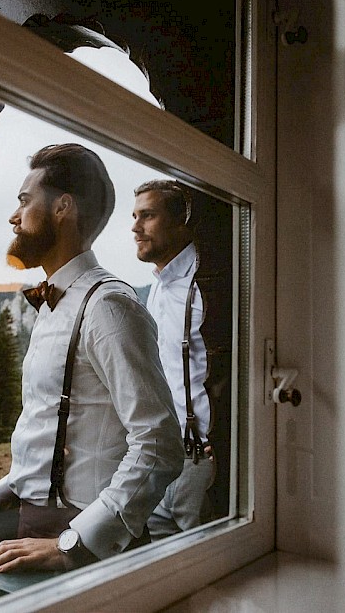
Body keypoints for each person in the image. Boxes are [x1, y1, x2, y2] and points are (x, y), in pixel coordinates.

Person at [0, 143, 184, 573]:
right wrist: (2, 491)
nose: (13, 216)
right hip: (34, 522)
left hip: (86, 542)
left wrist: (73, 545)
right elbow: (51, 425)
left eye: (24, 200)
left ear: (62, 207)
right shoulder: (56, 301)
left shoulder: (110, 306)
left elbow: (160, 443)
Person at [131, 179, 215, 539]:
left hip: (200, 458)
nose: (135, 227)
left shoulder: (209, 283)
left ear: (182, 220)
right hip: (163, 455)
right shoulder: (158, 288)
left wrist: (223, 442)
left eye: (147, 215)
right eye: (134, 216)